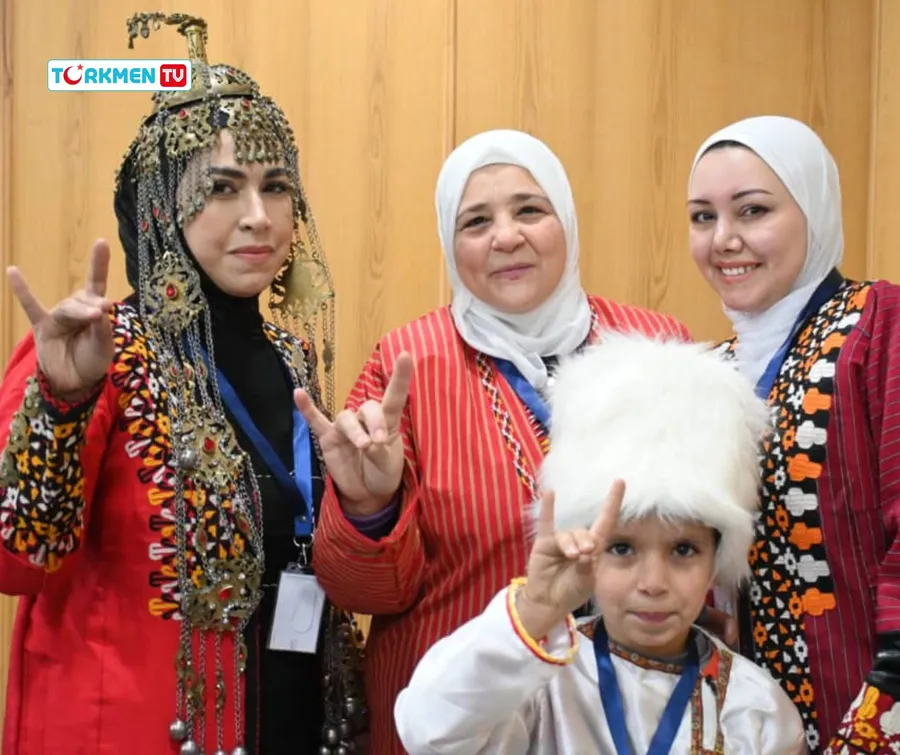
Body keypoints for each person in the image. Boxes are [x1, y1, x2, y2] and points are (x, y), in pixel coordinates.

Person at [0, 13, 364, 755]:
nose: (258, 217)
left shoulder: (294, 360)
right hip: (129, 728)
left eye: (276, 187)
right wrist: (62, 405)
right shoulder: (96, 350)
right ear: (162, 206)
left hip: (290, 718)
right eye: (222, 188)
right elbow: (17, 561)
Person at [296, 129, 692, 752]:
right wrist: (369, 508)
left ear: (566, 220)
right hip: (456, 724)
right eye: (476, 221)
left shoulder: (656, 347)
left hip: (631, 719)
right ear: (450, 244)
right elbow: (361, 593)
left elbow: (704, 542)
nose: (505, 237)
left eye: (529, 210)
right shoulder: (408, 365)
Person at [393, 332, 807, 754]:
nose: (653, 583)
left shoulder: (756, 711)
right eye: (622, 548)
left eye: (683, 550)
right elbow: (428, 731)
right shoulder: (539, 681)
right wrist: (534, 609)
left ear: (717, 558)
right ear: (585, 550)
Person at [687, 114, 900, 754]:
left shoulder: (879, 326)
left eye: (752, 211)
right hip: (752, 722)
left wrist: (882, 706)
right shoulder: (712, 369)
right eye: (703, 217)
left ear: (814, 209)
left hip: (873, 709)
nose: (724, 239)